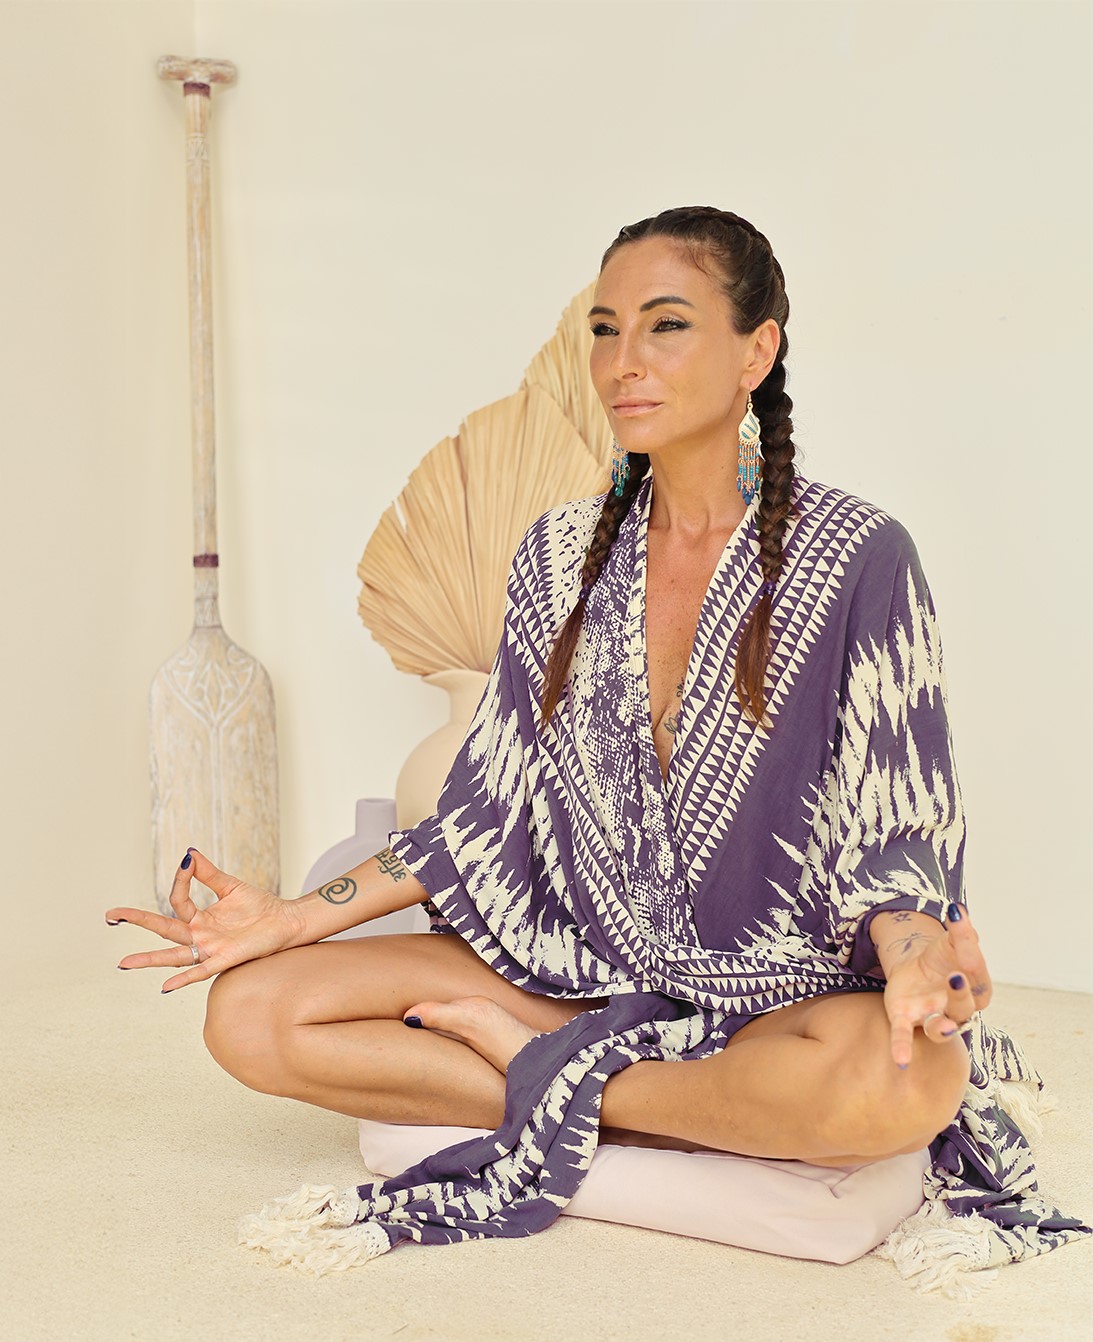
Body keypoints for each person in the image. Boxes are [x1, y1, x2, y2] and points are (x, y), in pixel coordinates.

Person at [108, 206, 1087, 1277]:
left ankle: (550, 1078)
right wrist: (293, 917)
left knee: (904, 1083)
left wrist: (913, 959)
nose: (623, 362)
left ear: (755, 350)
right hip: (578, 967)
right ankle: (672, 1108)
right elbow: (480, 816)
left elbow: (898, 825)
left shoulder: (859, 554)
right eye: (604, 330)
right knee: (252, 1014)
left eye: (665, 325)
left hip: (780, 996)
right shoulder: (557, 555)